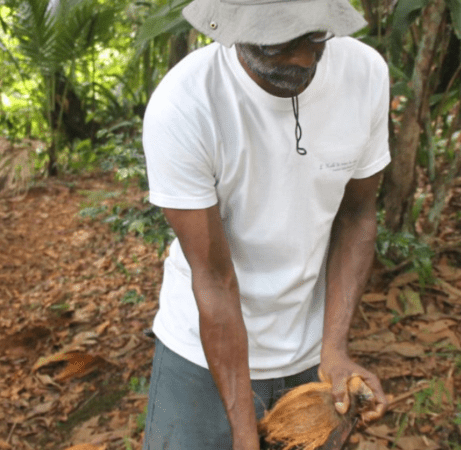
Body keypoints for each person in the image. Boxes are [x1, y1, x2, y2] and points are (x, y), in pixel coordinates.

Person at [140, 0, 391, 447]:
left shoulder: (365, 74)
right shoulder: (185, 105)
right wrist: (242, 430)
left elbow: (357, 214)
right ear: (234, 30)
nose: (302, 58)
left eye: (315, 36)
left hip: (308, 356)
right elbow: (214, 278)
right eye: (278, 43)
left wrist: (333, 349)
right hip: (200, 354)